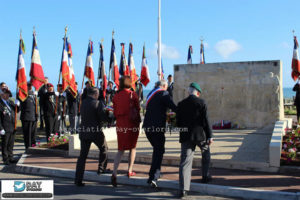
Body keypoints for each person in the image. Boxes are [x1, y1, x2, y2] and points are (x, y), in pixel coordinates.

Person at [177, 82, 213, 198]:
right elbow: (206, 121)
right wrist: (210, 136)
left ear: (189, 91)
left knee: (185, 163)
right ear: (198, 93)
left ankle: (183, 189)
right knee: (206, 154)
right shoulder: (201, 102)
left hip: (186, 136)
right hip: (200, 136)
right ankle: (205, 176)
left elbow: (177, 123)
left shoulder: (181, 104)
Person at [143, 80, 177, 187]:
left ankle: (153, 174)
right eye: (166, 87)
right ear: (164, 86)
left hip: (147, 127)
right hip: (157, 128)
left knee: (157, 150)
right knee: (159, 150)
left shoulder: (150, 94)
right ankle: (153, 177)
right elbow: (173, 106)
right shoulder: (164, 93)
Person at [75, 87, 111, 187]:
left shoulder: (83, 103)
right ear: (95, 94)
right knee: (104, 149)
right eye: (98, 94)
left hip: (84, 132)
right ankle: (101, 169)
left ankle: (78, 179)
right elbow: (103, 117)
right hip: (95, 132)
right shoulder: (98, 103)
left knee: (82, 156)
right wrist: (111, 118)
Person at [111, 76, 141, 187]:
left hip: (120, 123)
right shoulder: (133, 94)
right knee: (132, 147)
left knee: (121, 149)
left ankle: (114, 172)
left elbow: (114, 111)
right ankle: (129, 170)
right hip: (131, 123)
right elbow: (137, 109)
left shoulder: (116, 96)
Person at [0, 88, 18, 165]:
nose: (7, 95)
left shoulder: (10, 102)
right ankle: (5, 158)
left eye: (8, 94)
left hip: (12, 126)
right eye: (6, 94)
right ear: (2, 94)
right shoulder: (0, 104)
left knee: (11, 143)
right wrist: (0, 128)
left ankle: (11, 157)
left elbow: (17, 111)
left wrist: (18, 105)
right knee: (5, 144)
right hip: (5, 127)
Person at [20, 83, 38, 149]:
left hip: (33, 117)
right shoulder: (23, 95)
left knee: (33, 134)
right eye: (29, 86)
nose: (30, 87)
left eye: (31, 86)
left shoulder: (33, 95)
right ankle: (28, 148)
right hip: (26, 117)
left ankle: (33, 147)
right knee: (27, 135)